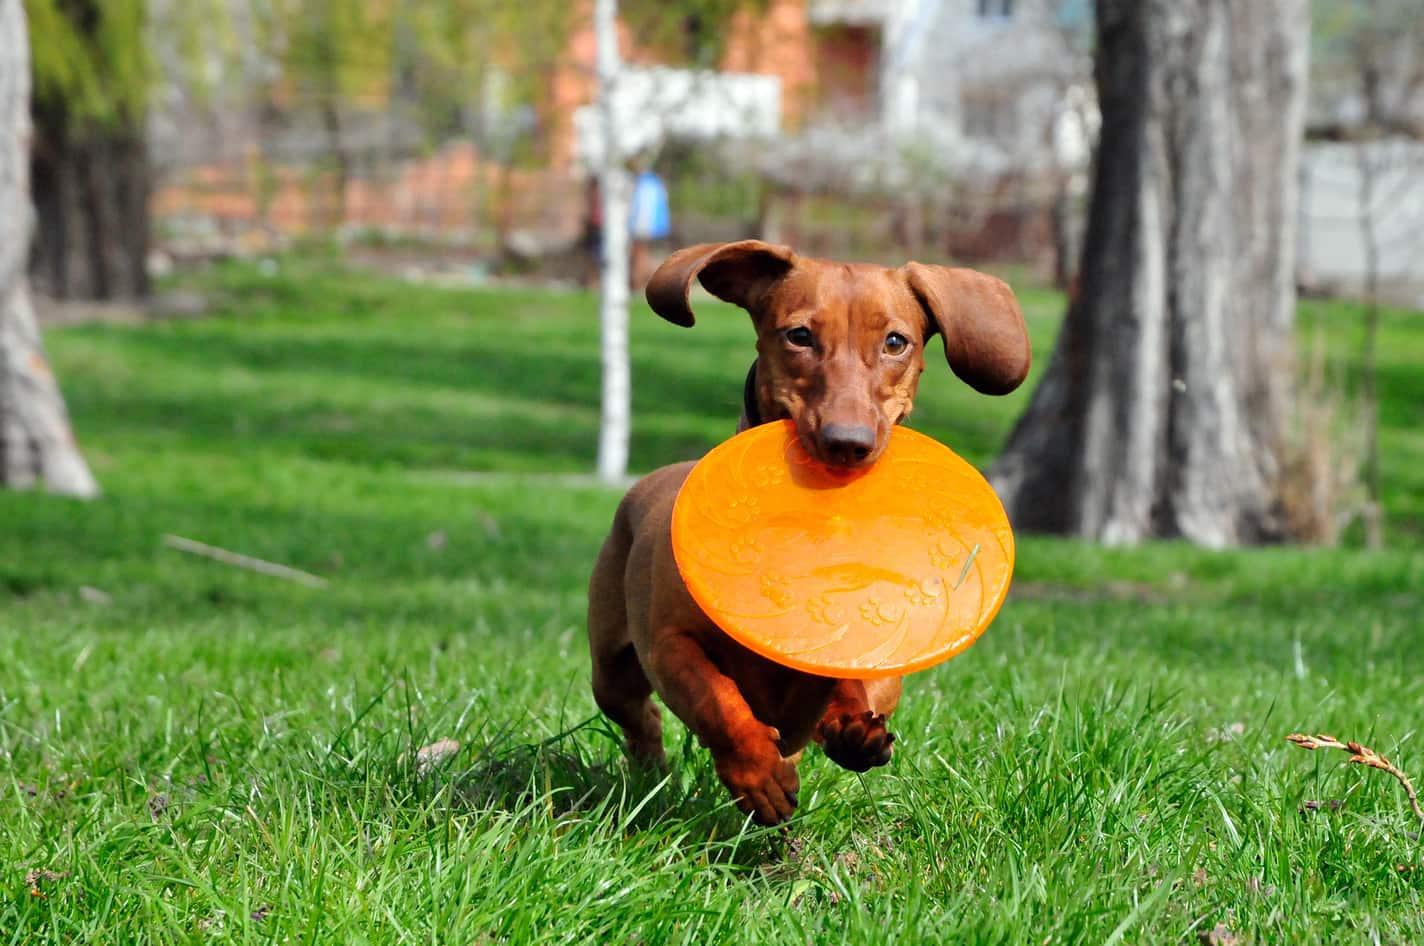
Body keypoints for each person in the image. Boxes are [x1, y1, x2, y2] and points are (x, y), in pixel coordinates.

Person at [628, 167, 670, 288]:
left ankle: (639, 283)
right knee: (645, 254)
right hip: (657, 226)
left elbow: (643, 208)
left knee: (640, 254)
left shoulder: (644, 184)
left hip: (643, 226)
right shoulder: (655, 182)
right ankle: (644, 282)